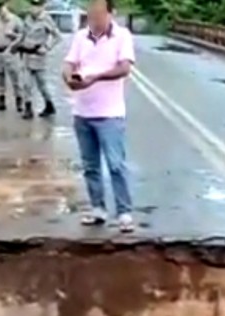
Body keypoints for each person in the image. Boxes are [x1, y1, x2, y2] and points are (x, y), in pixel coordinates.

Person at [62, 0, 136, 233]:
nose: (94, 18)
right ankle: (98, 209)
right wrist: (68, 78)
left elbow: (124, 68)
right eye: (91, 13)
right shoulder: (81, 36)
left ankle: (124, 212)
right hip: (82, 112)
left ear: (110, 13)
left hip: (110, 114)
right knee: (90, 165)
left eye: (99, 13)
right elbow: (68, 63)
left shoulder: (122, 36)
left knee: (115, 164)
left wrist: (95, 77)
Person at [17, 0, 62, 119]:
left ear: (42, 6)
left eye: (36, 6)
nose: (33, 8)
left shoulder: (46, 19)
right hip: (27, 55)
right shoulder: (27, 19)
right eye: (32, 5)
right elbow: (22, 34)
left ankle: (49, 105)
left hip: (39, 56)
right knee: (26, 84)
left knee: (42, 84)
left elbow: (58, 37)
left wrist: (47, 47)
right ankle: (28, 108)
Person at [0, 1, 24, 113]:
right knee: (0, 78)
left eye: (2, 8)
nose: (1, 11)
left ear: (7, 7)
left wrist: (13, 36)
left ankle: (19, 101)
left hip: (11, 52)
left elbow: (23, 36)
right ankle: (1, 101)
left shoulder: (16, 21)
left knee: (16, 78)